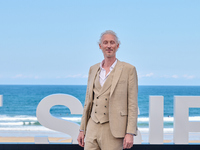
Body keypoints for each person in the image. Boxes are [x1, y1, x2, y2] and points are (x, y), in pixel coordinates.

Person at [77, 30, 138, 150]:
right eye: (105, 43)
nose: (109, 46)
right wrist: (82, 129)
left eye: (112, 42)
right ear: (100, 46)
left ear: (117, 45)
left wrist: (130, 132)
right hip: (92, 127)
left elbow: (132, 104)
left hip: (114, 130)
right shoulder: (93, 69)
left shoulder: (128, 69)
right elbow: (88, 102)